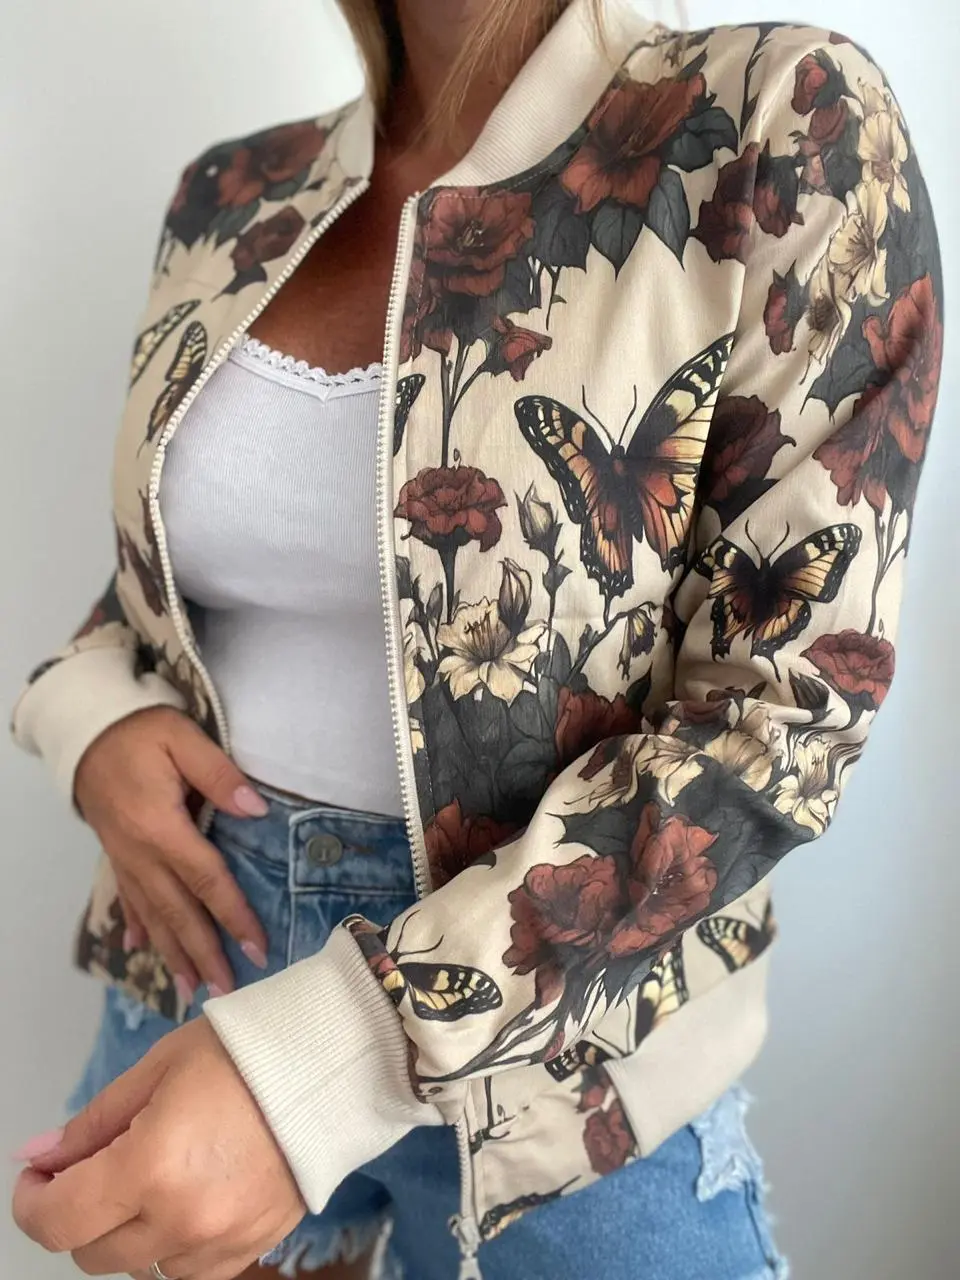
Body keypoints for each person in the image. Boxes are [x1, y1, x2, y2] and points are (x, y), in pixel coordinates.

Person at [9, 0, 942, 1277]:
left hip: (564, 1054)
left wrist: (332, 1056)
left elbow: (784, 711)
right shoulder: (234, 194)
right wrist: (89, 721)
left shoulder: (776, 124)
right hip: (205, 965)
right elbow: (165, 595)